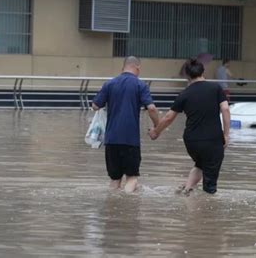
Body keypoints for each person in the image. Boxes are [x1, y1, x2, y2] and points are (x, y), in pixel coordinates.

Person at [149, 58, 230, 195]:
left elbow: (168, 117)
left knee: (200, 164)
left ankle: (187, 189)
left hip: (192, 141)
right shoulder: (216, 88)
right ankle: (206, 209)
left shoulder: (184, 94)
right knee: (210, 182)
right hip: (212, 140)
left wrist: (156, 132)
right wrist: (226, 134)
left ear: (187, 75)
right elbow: (225, 109)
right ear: (203, 72)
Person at [92, 56, 159, 193]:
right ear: (138, 67)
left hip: (111, 140)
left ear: (122, 68)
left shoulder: (109, 84)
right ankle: (126, 206)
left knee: (115, 179)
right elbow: (151, 108)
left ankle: (113, 206)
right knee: (132, 178)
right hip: (130, 140)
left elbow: (95, 106)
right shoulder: (140, 85)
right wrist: (157, 126)